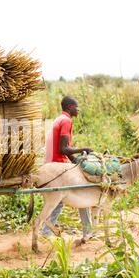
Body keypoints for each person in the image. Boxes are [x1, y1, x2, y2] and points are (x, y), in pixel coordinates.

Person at [41, 95, 94, 240]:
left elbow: (64, 149)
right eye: (77, 107)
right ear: (70, 107)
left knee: (57, 200)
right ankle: (87, 231)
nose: (78, 109)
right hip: (58, 166)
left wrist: (75, 159)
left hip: (52, 163)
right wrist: (84, 149)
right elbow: (64, 148)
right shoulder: (66, 121)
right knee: (84, 190)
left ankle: (46, 231)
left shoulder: (59, 119)